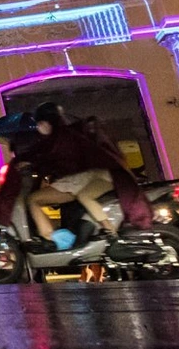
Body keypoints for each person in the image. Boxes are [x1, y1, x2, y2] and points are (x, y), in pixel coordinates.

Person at [21, 103, 149, 244]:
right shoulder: (66, 134)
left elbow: (56, 158)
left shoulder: (61, 138)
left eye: (40, 123)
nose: (39, 128)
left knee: (34, 199)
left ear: (46, 122)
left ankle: (53, 239)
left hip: (90, 179)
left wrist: (32, 164)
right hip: (89, 178)